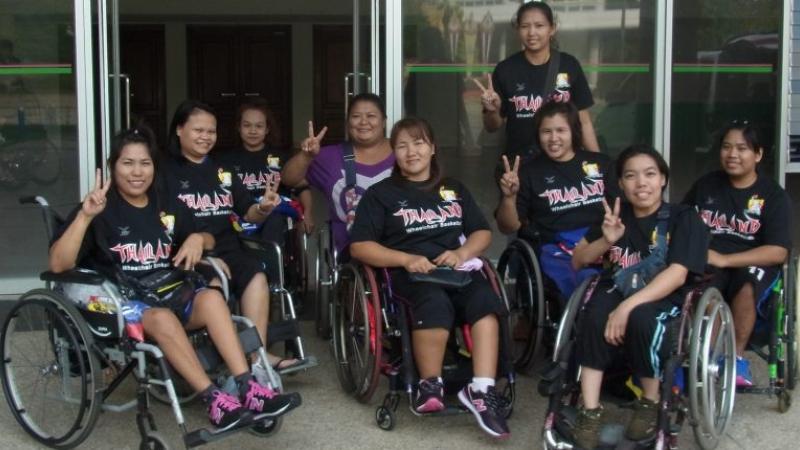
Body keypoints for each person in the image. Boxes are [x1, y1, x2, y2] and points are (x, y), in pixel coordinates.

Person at [49, 127, 300, 430]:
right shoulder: (100, 208)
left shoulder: (164, 204)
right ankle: (214, 400)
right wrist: (85, 216)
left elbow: (208, 237)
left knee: (210, 297)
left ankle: (248, 386)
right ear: (113, 166)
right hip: (122, 303)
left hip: (165, 290)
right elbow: (58, 264)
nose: (137, 172)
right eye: (128, 163)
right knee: (163, 318)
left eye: (145, 163)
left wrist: (197, 237)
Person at [349, 117, 510, 439]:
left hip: (455, 270)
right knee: (433, 303)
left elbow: (480, 232)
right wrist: (406, 259)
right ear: (393, 152)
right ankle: (429, 384)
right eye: (402, 145)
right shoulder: (381, 195)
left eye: (419, 143)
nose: (411, 151)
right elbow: (359, 246)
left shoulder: (454, 188)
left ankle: (481, 390)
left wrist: (462, 254)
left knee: (485, 303)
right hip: (410, 275)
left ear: (433, 148)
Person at [570, 144, 709, 448]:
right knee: (593, 315)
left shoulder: (684, 219)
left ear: (663, 179)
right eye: (631, 176)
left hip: (664, 293)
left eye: (649, 174)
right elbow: (578, 259)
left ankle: (650, 400)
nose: (641, 183)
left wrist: (627, 308)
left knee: (643, 319)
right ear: (620, 184)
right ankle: (590, 410)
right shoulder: (614, 215)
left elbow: (678, 274)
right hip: (617, 286)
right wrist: (606, 242)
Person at [161, 100, 300, 372]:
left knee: (256, 277)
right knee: (213, 282)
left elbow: (248, 213)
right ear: (179, 130)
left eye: (210, 132)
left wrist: (263, 207)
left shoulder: (221, 172)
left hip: (228, 248)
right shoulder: (164, 172)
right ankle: (210, 360)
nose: (205, 137)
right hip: (185, 254)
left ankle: (256, 356)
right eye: (198, 130)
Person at [683, 121, 792, 387]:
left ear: (758, 154)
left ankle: (737, 359)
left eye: (742, 148)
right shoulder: (706, 186)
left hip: (752, 261)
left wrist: (726, 259)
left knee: (746, 287)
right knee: (707, 292)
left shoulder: (773, 197)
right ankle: (706, 359)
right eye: (727, 147)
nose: (732, 154)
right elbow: (682, 221)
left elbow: (778, 251)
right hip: (710, 261)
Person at [495, 101, 618, 297]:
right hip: (556, 250)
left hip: (604, 240)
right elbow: (507, 227)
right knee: (584, 283)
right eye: (546, 132)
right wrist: (509, 198)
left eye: (561, 130)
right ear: (538, 134)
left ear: (573, 132)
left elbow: (620, 208)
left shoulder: (600, 163)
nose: (553, 138)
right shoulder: (528, 172)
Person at [474, 1, 599, 160]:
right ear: (517, 29)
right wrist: (492, 111)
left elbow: (585, 122)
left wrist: (598, 162)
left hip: (563, 163)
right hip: (521, 165)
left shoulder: (569, 65)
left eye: (539, 25)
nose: (532, 32)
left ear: (552, 29)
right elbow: (492, 126)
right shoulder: (505, 70)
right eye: (525, 26)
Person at [282, 93, 394, 254]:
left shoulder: (402, 151)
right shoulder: (330, 157)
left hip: (399, 245)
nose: (363, 122)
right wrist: (306, 156)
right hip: (350, 252)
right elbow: (288, 179)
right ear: (348, 122)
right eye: (356, 116)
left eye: (371, 116)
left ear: (383, 121)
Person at [216, 98, 314, 244]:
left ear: (267, 129)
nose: (253, 131)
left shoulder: (281, 158)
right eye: (247, 125)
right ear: (239, 127)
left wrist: (308, 214)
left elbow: (302, 187)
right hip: (241, 216)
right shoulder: (226, 160)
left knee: (273, 220)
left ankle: (268, 264)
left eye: (259, 126)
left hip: (275, 215)